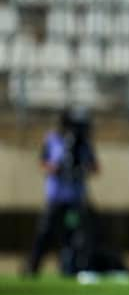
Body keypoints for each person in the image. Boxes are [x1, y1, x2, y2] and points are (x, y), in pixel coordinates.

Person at [25, 107, 99, 276]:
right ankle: (33, 266)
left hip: (75, 200)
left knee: (73, 233)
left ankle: (70, 266)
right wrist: (58, 168)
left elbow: (95, 167)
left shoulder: (84, 144)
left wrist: (80, 168)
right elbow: (43, 163)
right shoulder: (52, 140)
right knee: (45, 232)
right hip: (56, 198)